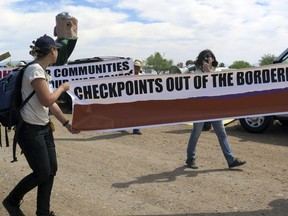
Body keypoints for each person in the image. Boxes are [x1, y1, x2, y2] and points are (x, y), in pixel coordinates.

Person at [2, 34, 80, 216]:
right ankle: (11, 201)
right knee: (42, 171)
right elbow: (47, 100)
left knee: (51, 170)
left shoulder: (42, 71)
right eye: (56, 49)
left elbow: (51, 105)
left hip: (43, 128)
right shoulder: (35, 70)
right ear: (51, 51)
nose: (58, 51)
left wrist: (66, 123)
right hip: (30, 130)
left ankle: (43, 212)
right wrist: (62, 88)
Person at [186, 49, 246, 169]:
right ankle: (190, 158)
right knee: (196, 133)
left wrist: (208, 69)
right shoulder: (196, 72)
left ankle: (231, 160)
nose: (210, 60)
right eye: (208, 58)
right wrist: (204, 69)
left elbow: (215, 85)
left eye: (211, 58)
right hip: (200, 108)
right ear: (203, 59)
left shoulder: (213, 71)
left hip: (213, 108)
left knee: (222, 133)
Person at [132, 59, 144, 135]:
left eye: (138, 67)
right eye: (135, 67)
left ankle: (136, 129)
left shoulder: (142, 77)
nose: (136, 68)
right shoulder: (127, 76)